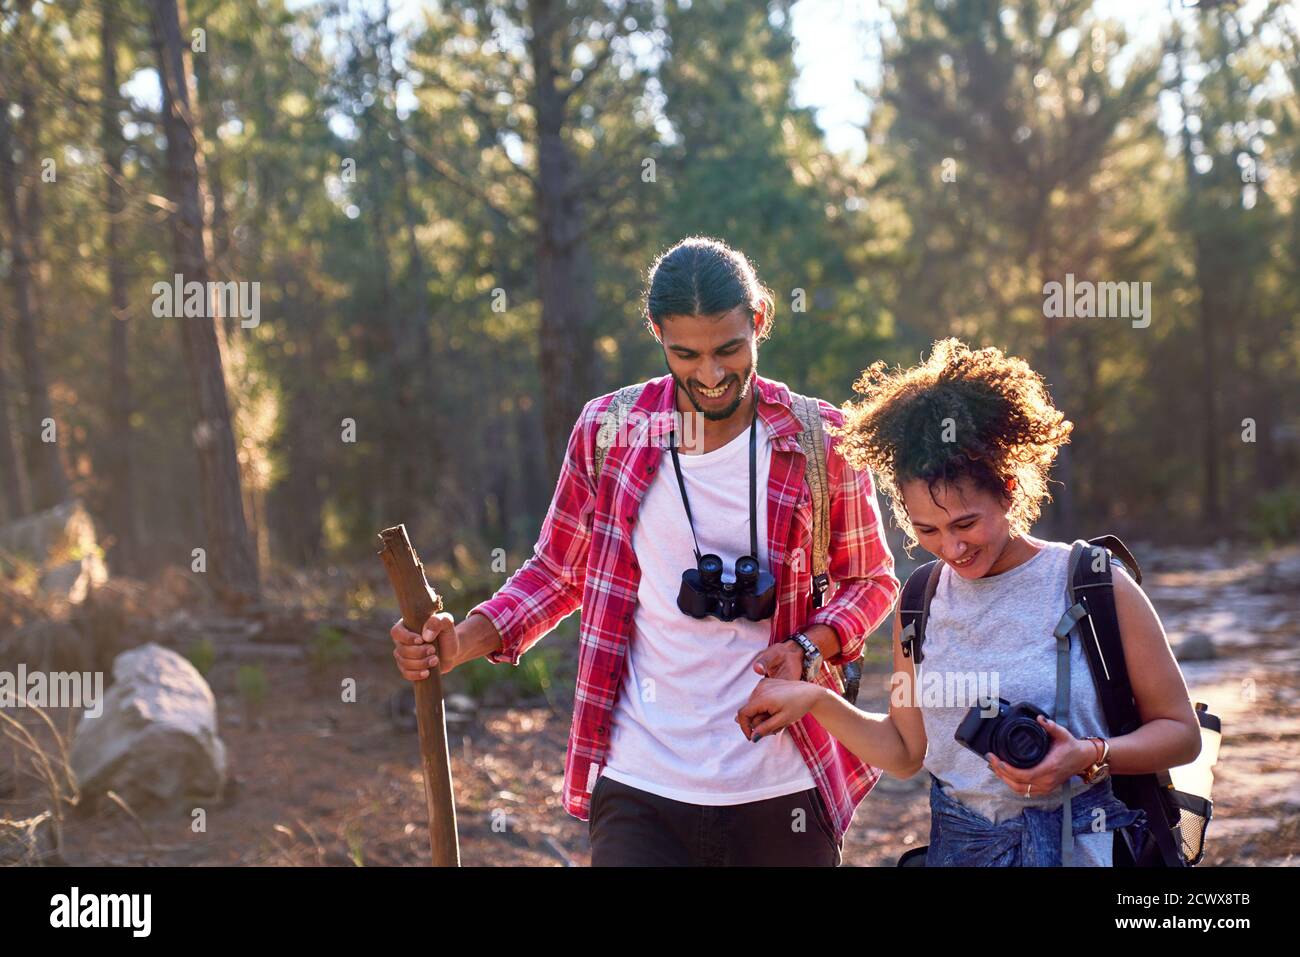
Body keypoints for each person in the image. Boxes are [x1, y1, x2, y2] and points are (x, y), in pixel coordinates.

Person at [390, 236, 899, 866]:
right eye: (686, 354)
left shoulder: (822, 439)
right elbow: (556, 572)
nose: (711, 376)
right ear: (656, 333)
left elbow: (872, 579)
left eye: (729, 350)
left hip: (782, 783)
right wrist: (459, 640)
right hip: (641, 782)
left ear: (760, 319)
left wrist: (806, 647)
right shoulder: (610, 430)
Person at [736, 338, 1202, 866]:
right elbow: (906, 752)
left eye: (966, 523)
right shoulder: (920, 600)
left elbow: (1181, 735)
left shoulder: (1094, 584)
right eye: (926, 530)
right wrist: (815, 700)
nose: (952, 548)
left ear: (1007, 489)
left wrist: (1088, 756)